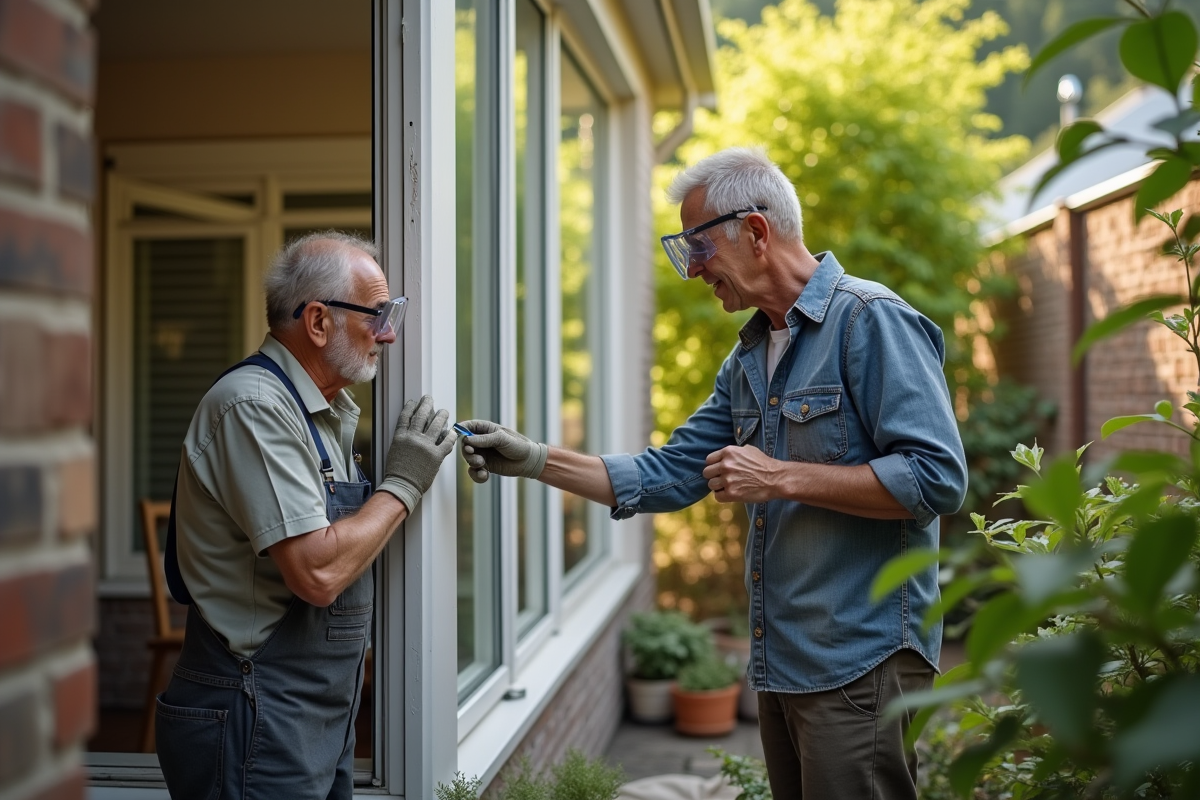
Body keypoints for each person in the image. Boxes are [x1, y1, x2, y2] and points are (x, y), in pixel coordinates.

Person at [458, 148, 967, 799]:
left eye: (697, 247)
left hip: (859, 661)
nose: (693, 270)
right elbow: (668, 473)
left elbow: (935, 479)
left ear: (756, 232)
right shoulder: (753, 353)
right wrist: (532, 458)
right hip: (786, 662)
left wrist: (778, 477)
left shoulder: (869, 321)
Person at [156, 232, 457, 800]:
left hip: (312, 712)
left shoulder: (324, 413)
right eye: (378, 314)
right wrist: (403, 484)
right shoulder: (254, 407)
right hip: (253, 709)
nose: (389, 333)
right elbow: (317, 573)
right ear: (318, 322)